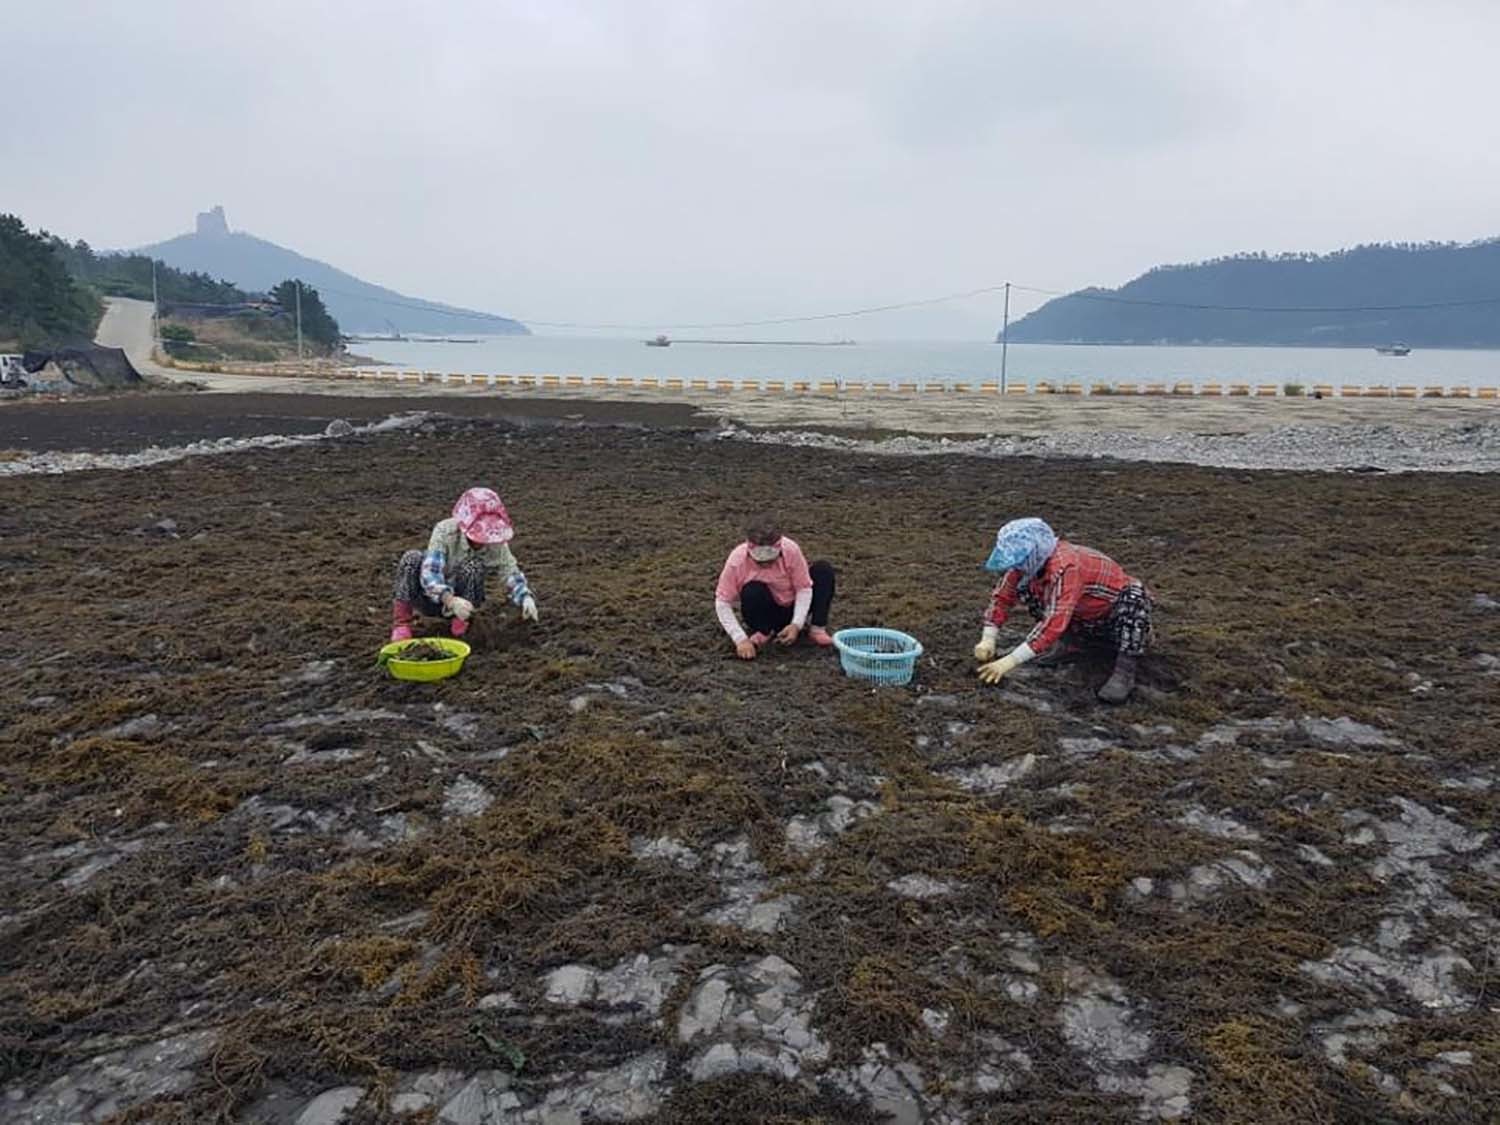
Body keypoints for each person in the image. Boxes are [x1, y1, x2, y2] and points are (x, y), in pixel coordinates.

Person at [972, 517, 1151, 703]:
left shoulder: (1066, 568)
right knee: (1029, 589)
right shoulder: (1026, 566)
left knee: (1134, 599)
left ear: (1034, 551)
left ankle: (1125, 669)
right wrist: (988, 638)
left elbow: (1055, 619)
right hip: (1081, 615)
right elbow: (1003, 597)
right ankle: (1070, 645)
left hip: (1111, 613)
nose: (1014, 567)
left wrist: (1009, 662)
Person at [390, 487, 540, 642]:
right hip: (431, 597)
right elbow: (430, 574)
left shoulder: (495, 541)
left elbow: (509, 571)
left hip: (465, 604)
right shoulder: (445, 531)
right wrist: (450, 600)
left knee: (473, 565)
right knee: (411, 559)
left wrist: (525, 597)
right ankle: (402, 623)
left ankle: (462, 622)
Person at [715, 515, 837, 660]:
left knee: (823, 570)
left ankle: (817, 628)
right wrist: (740, 639)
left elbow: (803, 588)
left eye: (771, 560)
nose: (766, 565)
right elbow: (722, 601)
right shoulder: (737, 561)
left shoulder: (791, 550)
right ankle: (764, 631)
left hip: (791, 606)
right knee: (752, 590)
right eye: (760, 562)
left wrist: (796, 624)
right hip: (764, 611)